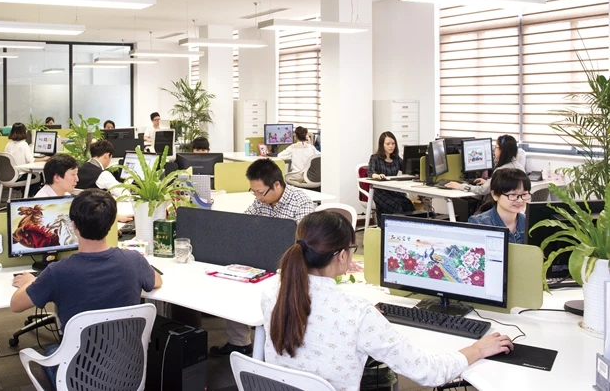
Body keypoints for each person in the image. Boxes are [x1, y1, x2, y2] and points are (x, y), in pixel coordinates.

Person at [262, 211, 514, 390]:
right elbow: (429, 372)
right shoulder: (356, 313)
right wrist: (478, 349)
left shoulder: (273, 293)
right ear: (341, 256)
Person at [11, 190, 163, 386]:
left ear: (74, 225)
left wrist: (31, 281)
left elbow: (16, 305)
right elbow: (157, 281)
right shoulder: (134, 261)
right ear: (111, 225)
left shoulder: (58, 272)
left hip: (79, 379)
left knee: (50, 351)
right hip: (126, 373)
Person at [209, 158, 315, 358]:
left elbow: (305, 244)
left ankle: (275, 349)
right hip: (261, 259)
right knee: (234, 280)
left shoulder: (301, 203)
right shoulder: (261, 201)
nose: (257, 197)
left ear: (277, 185)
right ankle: (239, 342)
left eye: (260, 192)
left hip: (291, 265)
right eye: (254, 192)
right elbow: (244, 224)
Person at [446, 135, 525, 196]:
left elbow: (482, 190)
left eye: (496, 147)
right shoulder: (520, 167)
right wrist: (490, 182)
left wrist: (459, 186)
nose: (494, 150)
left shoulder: (500, 171)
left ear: (502, 150)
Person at [469, 168, 531, 243]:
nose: (520, 200)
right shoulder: (479, 224)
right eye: (513, 195)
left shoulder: (529, 223)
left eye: (524, 194)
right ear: (494, 195)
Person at [367, 131, 414, 216]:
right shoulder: (375, 158)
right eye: (388, 144)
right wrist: (377, 176)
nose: (391, 146)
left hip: (393, 190)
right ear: (382, 145)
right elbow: (370, 172)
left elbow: (407, 169)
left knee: (408, 204)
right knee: (398, 207)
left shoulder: (396, 159)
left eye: (393, 143)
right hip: (380, 192)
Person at [5, 123, 45, 196]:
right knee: (39, 176)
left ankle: (25, 194)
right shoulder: (23, 144)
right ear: (23, 132)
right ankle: (27, 196)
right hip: (20, 176)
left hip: (10, 176)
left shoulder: (8, 144)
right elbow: (30, 160)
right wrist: (44, 159)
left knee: (33, 175)